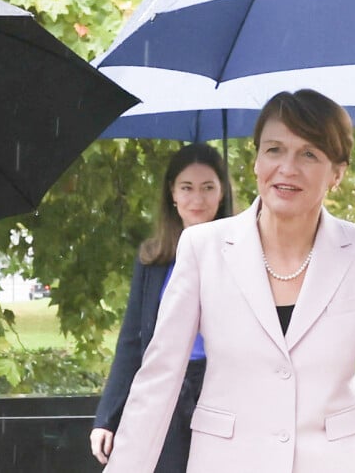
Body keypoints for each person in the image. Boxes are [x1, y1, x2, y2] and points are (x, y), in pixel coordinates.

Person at [103, 89, 355, 473]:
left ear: (337, 173)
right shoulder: (203, 248)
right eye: (274, 149)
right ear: (256, 160)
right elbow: (158, 380)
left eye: (309, 154)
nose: (287, 167)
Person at [91, 143, 233, 471]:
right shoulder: (152, 258)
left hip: (221, 395)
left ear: (222, 192)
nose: (197, 199)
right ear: (172, 192)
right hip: (165, 392)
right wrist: (106, 418)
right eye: (187, 188)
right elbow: (132, 341)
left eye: (208, 187)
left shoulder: (242, 255)